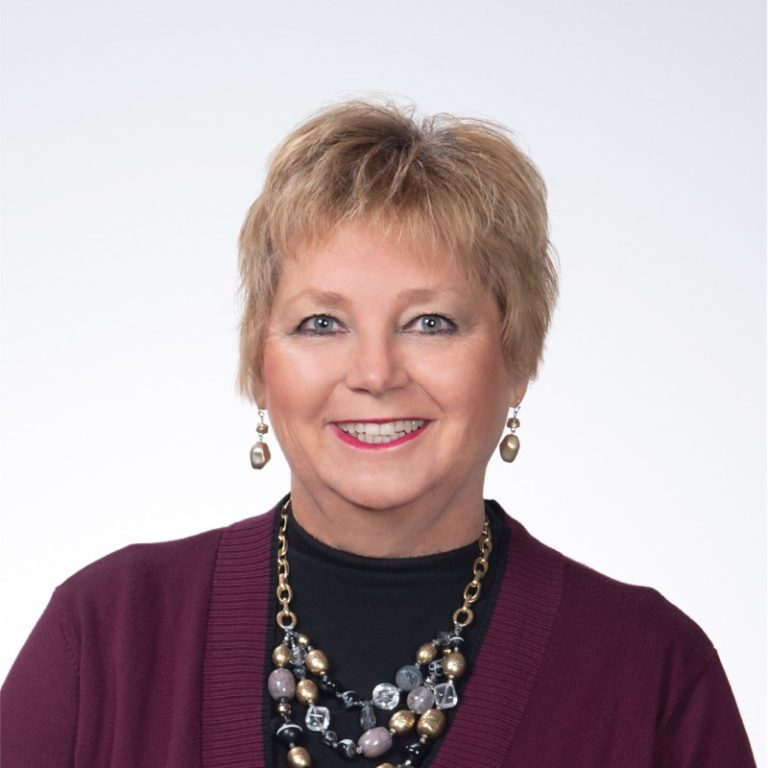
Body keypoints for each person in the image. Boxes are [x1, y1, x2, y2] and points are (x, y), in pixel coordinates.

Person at [1, 100, 756, 768]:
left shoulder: (651, 671)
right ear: (260, 366)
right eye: (320, 323)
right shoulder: (104, 636)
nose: (374, 373)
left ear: (517, 358)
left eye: (430, 322)